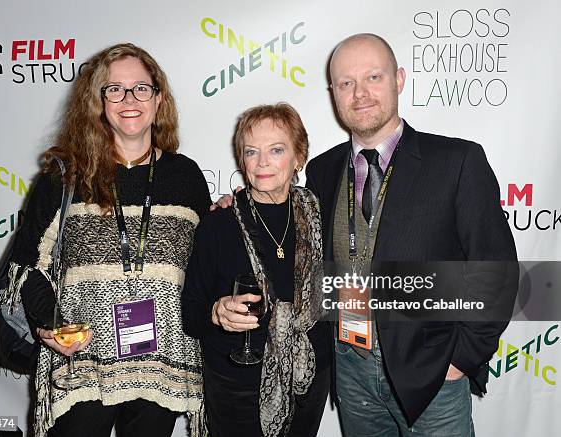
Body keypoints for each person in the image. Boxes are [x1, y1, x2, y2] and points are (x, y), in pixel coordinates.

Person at [305, 33, 518, 436]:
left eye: (373, 77)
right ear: (333, 93)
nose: (360, 93)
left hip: (432, 373)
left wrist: (461, 359)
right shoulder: (322, 170)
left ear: (399, 79)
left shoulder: (457, 160)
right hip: (350, 368)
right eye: (346, 83)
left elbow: (497, 269)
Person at [5, 43, 211, 437]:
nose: (128, 100)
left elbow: (205, 264)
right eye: (114, 89)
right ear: (98, 101)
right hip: (83, 364)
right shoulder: (65, 177)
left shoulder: (186, 177)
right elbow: (27, 267)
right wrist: (51, 324)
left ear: (158, 99)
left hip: (161, 364)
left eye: (141, 88)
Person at [182, 103, 331, 437]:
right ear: (242, 160)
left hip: (309, 376)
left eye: (276, 150)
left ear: (298, 157)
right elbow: (190, 313)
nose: (262, 162)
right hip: (237, 386)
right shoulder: (218, 225)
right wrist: (216, 312)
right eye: (252, 152)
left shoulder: (320, 215)